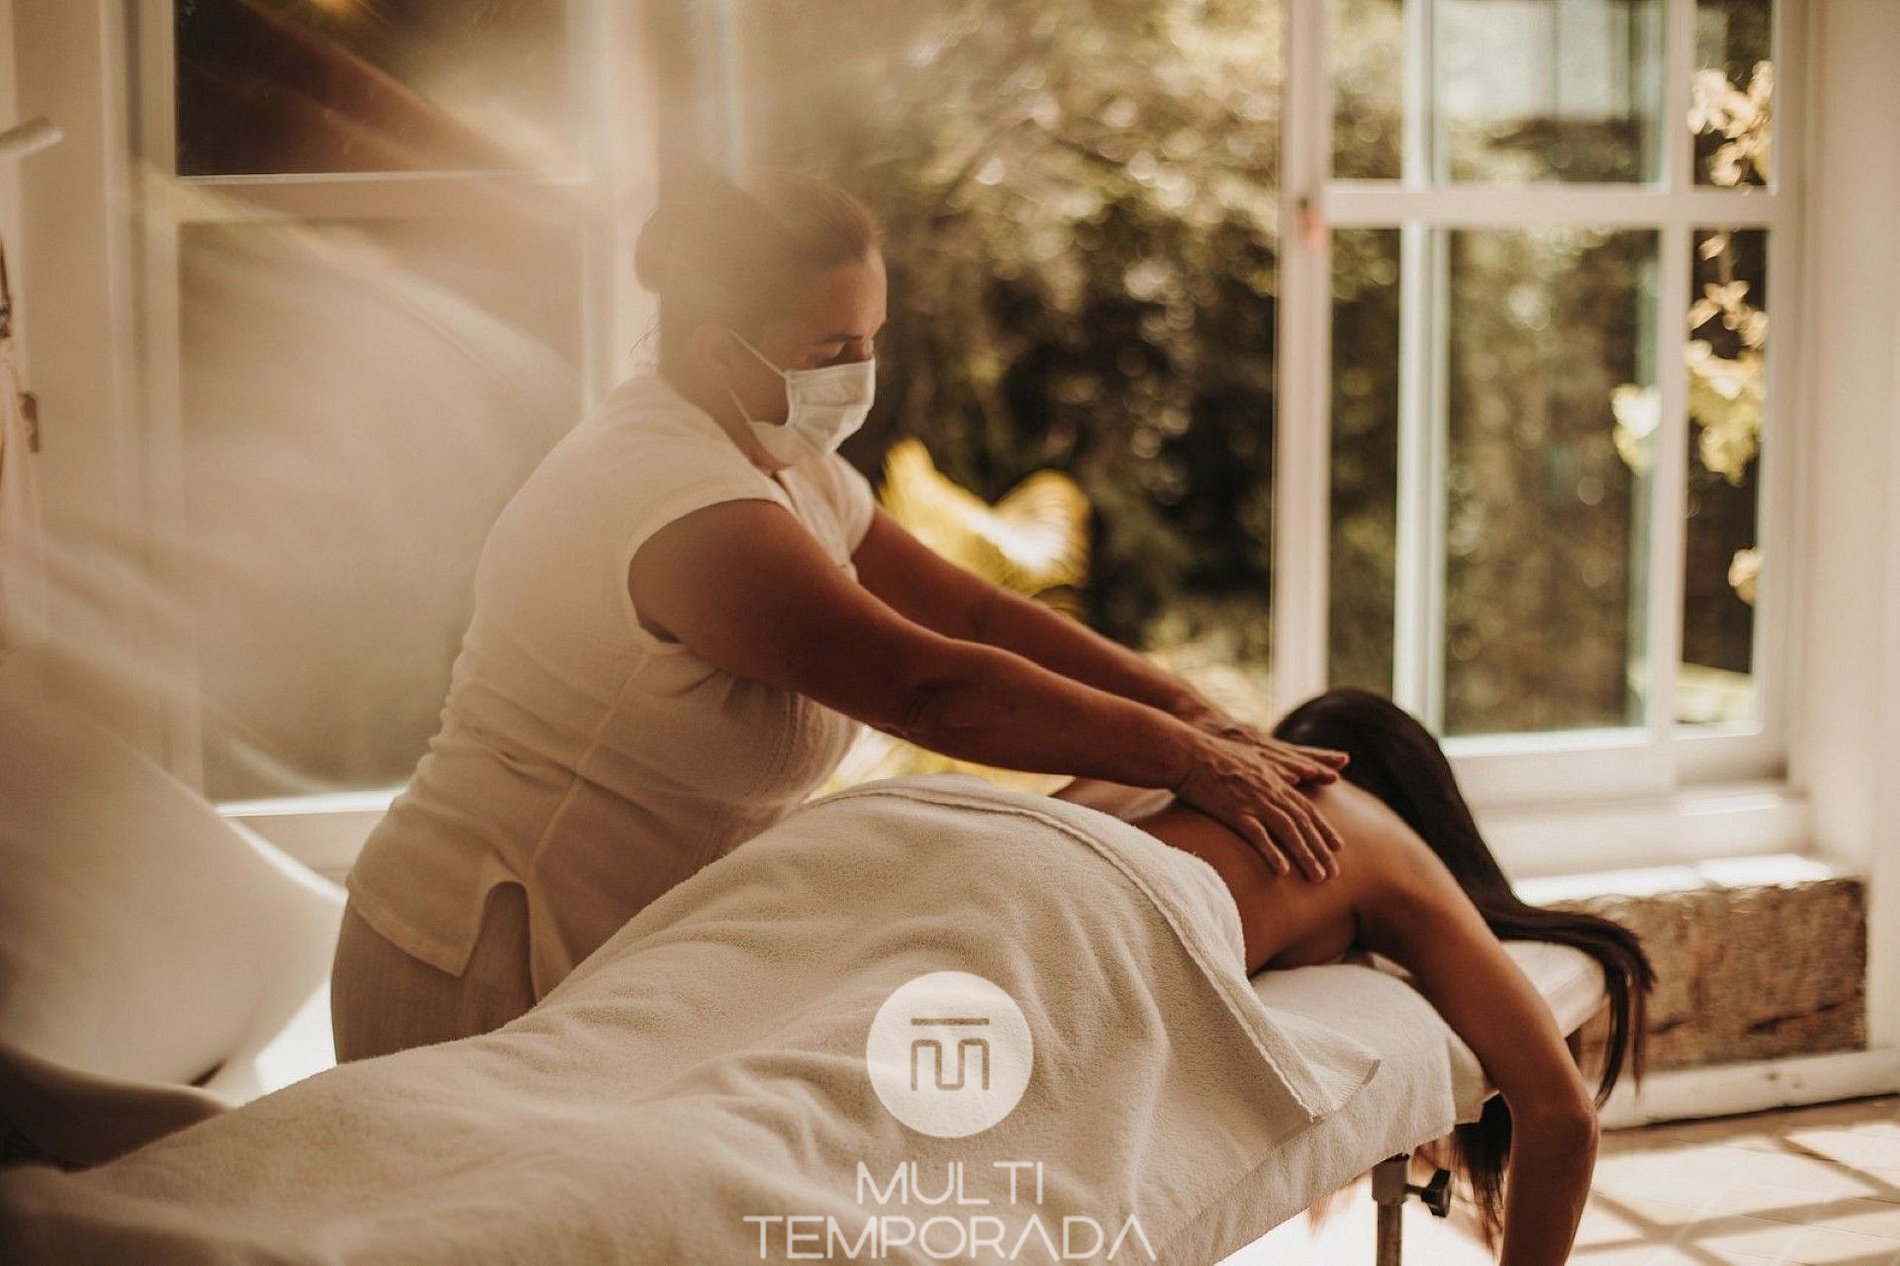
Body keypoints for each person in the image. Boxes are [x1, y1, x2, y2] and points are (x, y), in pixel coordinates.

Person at [330, 164, 1351, 1062]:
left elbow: (976, 614)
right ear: (719, 350)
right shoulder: (677, 501)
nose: (861, 371)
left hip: (622, 962)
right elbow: (928, 686)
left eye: (871, 338)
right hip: (479, 960)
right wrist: (1185, 757)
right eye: (832, 345)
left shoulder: (789, 463)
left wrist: (1196, 714)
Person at [1053, 687, 1656, 1265]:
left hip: (1014, 845)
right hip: (1074, 940)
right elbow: (1561, 1115)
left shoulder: (1155, 762)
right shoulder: (1371, 836)